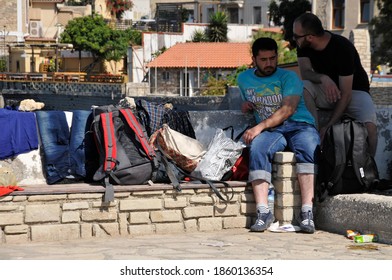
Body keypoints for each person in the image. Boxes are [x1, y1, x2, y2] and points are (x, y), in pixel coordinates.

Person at [237, 37, 320, 233]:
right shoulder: (243, 79)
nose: (269, 64)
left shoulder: (289, 77)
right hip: (272, 130)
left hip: (299, 124)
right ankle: (263, 211)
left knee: (309, 147)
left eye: (272, 58)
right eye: (263, 59)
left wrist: (258, 127)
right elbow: (248, 102)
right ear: (254, 59)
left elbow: (288, 109)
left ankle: (307, 212)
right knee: (257, 148)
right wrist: (246, 106)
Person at [293, 12, 378, 156]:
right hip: (327, 90)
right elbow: (306, 73)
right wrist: (323, 78)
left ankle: (370, 170)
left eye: (296, 36)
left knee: (370, 126)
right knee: (304, 86)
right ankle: (312, 135)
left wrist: (329, 125)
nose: (293, 39)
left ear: (310, 37)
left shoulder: (342, 48)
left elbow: (346, 94)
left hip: (354, 91)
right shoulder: (303, 45)